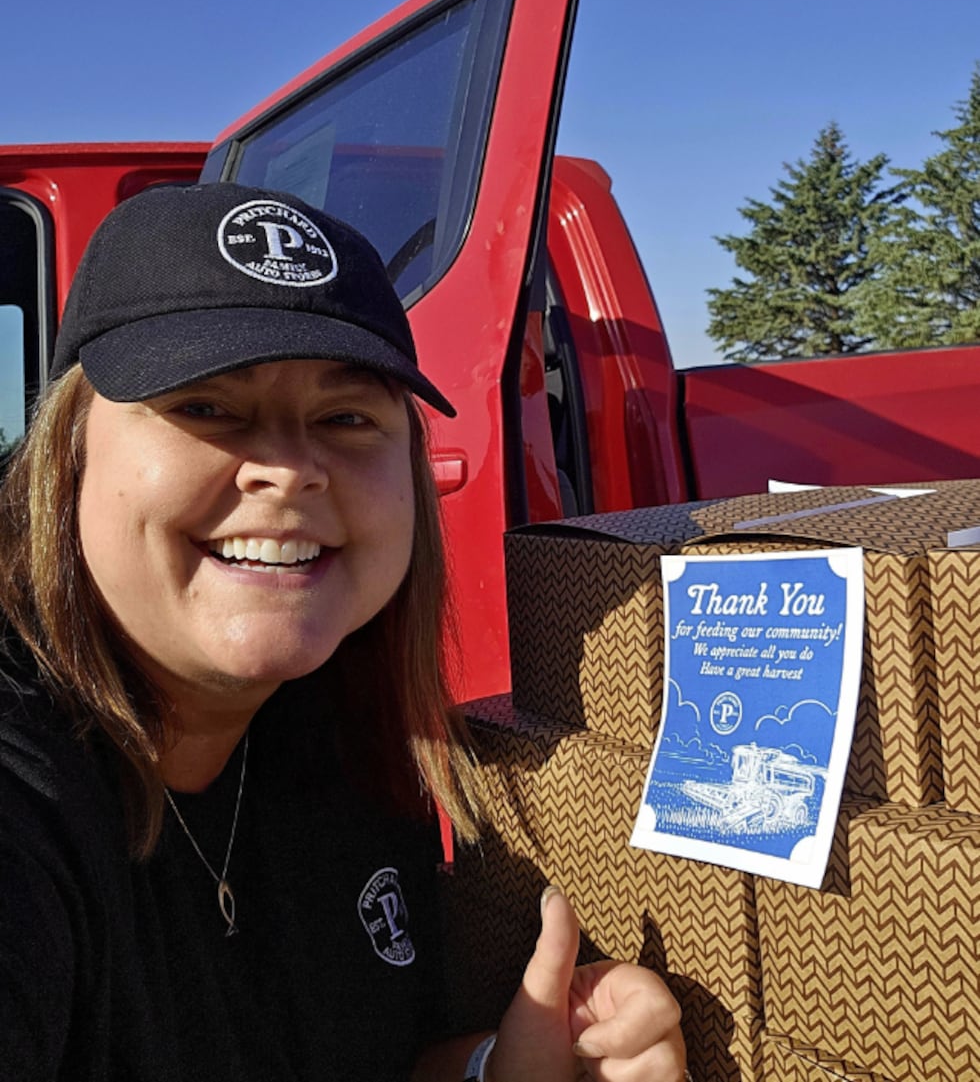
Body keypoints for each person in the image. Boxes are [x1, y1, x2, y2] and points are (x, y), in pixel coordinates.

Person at [0, 182, 687, 1082]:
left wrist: (495, 1066)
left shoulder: (338, 741)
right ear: (70, 454)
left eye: (346, 418)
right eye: (207, 405)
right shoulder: (27, 792)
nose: (288, 469)